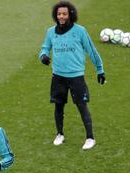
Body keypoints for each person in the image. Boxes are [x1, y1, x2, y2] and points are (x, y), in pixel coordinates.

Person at [39, 1, 106, 150]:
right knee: (58, 106)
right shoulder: (51, 32)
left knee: (82, 106)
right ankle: (59, 134)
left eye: (64, 14)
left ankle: (90, 138)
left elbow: (91, 50)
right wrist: (43, 56)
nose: (61, 16)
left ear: (70, 15)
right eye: (59, 14)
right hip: (58, 76)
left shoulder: (80, 31)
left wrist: (100, 69)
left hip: (76, 77)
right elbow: (44, 48)